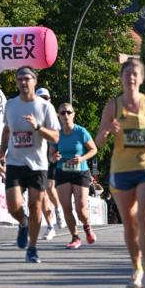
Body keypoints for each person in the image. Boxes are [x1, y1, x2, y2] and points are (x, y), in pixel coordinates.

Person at [95, 58, 145, 288]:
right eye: (127, 74)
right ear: (121, 78)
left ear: (141, 78)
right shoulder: (113, 106)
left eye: (135, 74)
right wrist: (107, 130)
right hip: (122, 169)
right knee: (130, 223)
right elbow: (98, 142)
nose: (131, 77)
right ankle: (136, 268)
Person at [0, 67, 60, 264]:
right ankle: (23, 222)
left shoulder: (45, 107)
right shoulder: (11, 105)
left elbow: (55, 136)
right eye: (19, 79)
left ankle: (32, 248)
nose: (23, 82)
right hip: (15, 162)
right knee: (13, 206)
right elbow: (7, 129)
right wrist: (2, 149)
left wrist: (38, 127)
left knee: (35, 206)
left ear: (35, 81)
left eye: (27, 78)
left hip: (38, 165)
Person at [51, 102, 98, 249]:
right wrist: (54, 157)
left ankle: (87, 226)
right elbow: (50, 156)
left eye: (68, 112)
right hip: (62, 172)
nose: (66, 115)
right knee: (66, 207)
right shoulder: (56, 134)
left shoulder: (81, 131)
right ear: (59, 116)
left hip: (80, 172)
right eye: (62, 113)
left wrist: (82, 158)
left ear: (73, 115)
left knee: (81, 208)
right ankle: (75, 237)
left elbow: (94, 149)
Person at [36, 87, 66, 239]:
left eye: (46, 98)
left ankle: (59, 209)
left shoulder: (53, 115)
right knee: (40, 194)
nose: (43, 101)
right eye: (40, 98)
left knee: (49, 187)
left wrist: (57, 154)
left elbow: (61, 137)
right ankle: (50, 226)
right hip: (36, 158)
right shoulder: (32, 115)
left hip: (52, 156)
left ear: (50, 100)